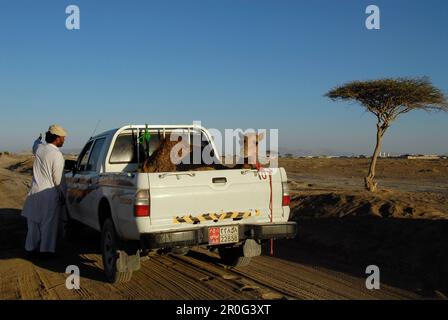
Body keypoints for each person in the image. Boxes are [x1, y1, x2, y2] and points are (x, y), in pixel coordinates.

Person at [22, 124, 68, 259]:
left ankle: (30, 249)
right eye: (63, 138)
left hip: (34, 192)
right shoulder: (57, 155)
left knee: (34, 222)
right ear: (57, 138)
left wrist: (38, 139)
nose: (64, 140)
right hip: (49, 194)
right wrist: (63, 194)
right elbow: (58, 179)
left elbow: (34, 144)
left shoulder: (39, 148)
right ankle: (46, 251)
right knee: (49, 224)